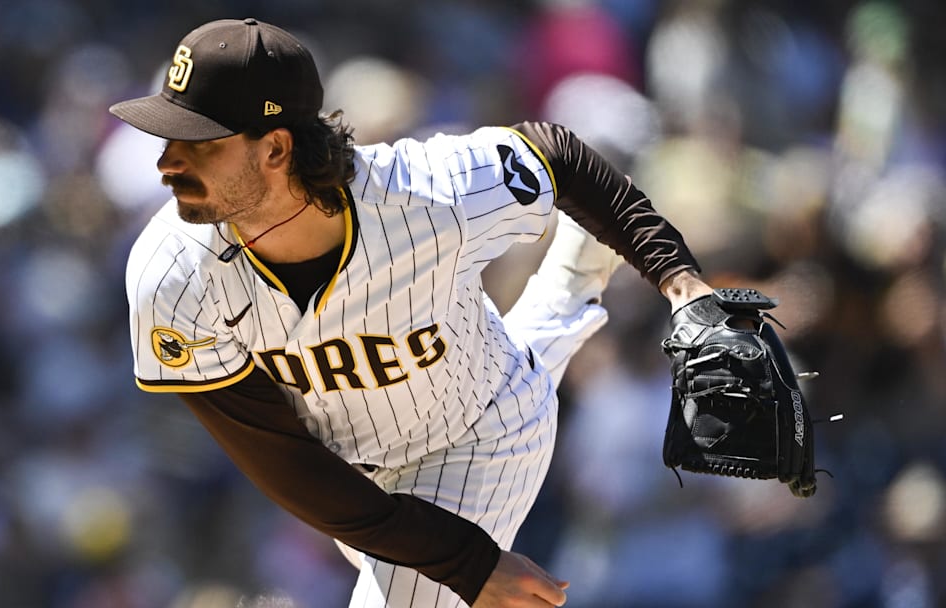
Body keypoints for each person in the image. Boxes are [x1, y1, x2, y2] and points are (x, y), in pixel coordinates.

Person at [109, 18, 712, 608]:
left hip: (478, 437)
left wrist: (681, 282)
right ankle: (568, 286)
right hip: (357, 483)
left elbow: (558, 156)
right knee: (499, 368)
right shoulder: (173, 274)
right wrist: (468, 563)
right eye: (168, 137)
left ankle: (570, 286)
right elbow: (285, 463)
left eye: (199, 143)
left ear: (275, 146)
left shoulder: (422, 194)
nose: (167, 162)